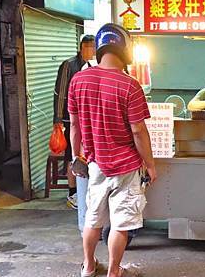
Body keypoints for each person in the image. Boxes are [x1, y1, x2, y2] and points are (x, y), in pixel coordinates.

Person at [68, 23, 156, 277]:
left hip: (94, 165)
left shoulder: (79, 80)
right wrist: (150, 165)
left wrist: (78, 157)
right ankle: (114, 271)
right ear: (125, 50)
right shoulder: (130, 85)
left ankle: (88, 266)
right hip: (126, 167)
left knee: (92, 220)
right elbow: (138, 131)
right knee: (121, 223)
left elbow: (74, 125)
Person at [53, 34, 96, 210]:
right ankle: (72, 193)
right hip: (68, 118)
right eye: (90, 47)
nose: (93, 50)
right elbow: (61, 92)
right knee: (72, 155)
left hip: (87, 119)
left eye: (95, 47)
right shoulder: (69, 65)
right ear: (82, 47)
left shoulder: (93, 65)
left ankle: (84, 190)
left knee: (85, 154)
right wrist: (58, 120)